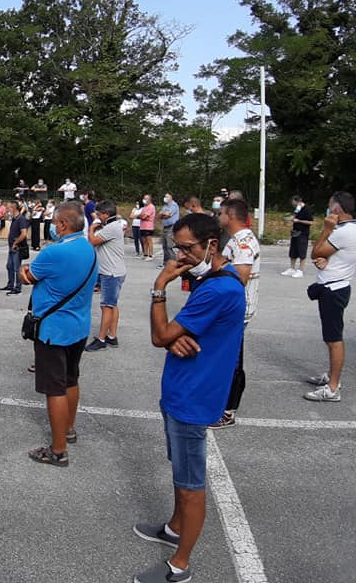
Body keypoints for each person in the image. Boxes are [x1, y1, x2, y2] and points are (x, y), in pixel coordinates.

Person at [135, 213, 245, 583]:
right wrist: (173, 337)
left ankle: (179, 566)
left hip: (192, 398)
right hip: (184, 390)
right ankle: (175, 527)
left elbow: (159, 335)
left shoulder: (218, 289)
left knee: (191, 485)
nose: (179, 256)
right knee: (180, 471)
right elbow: (174, 335)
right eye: (176, 248)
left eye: (187, 248)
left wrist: (160, 286)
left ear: (212, 245)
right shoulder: (218, 278)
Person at [19, 201, 97, 467]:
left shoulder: (54, 252)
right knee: (71, 379)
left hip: (53, 329)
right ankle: (69, 428)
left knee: (55, 389)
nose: (52, 227)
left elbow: (28, 277)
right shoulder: (88, 247)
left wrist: (22, 269)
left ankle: (58, 449)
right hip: (79, 326)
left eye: (54, 223)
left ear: (63, 224)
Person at [209, 198, 260, 428]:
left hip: (237, 309)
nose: (218, 216)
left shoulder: (244, 242)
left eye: (221, 213)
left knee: (232, 359)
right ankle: (222, 403)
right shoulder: (235, 239)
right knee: (226, 356)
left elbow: (240, 278)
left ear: (230, 216)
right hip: (231, 307)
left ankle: (228, 411)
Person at [304, 191, 356, 402]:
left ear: (336, 209)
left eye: (329, 206)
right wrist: (326, 259)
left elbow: (316, 252)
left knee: (334, 339)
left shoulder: (342, 232)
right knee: (330, 338)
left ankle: (333, 387)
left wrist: (326, 230)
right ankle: (331, 376)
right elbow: (325, 256)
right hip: (337, 286)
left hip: (334, 289)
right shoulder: (351, 229)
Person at [86, 201, 126, 351]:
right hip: (113, 271)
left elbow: (92, 241)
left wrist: (91, 228)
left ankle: (101, 339)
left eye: (99, 214)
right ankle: (112, 336)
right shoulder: (113, 226)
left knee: (106, 306)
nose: (97, 217)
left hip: (111, 272)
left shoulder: (111, 227)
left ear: (106, 214)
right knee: (112, 304)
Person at [1, 200, 29, 296]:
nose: (7, 209)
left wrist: (16, 243)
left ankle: (17, 288)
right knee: (9, 266)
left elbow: (24, 233)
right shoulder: (14, 218)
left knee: (17, 267)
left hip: (17, 247)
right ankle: (10, 285)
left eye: (8, 207)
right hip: (12, 246)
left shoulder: (21, 219)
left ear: (13, 208)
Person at [283, 195, 314, 278]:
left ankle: (301, 270)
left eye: (294, 203)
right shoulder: (297, 209)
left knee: (302, 251)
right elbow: (294, 217)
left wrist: (299, 221)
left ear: (298, 201)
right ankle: (292, 268)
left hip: (303, 233)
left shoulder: (307, 209)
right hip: (295, 232)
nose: (293, 204)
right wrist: (289, 218)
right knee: (293, 251)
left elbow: (311, 222)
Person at [159, 193, 180, 267]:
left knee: (169, 245)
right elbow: (160, 215)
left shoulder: (174, 205)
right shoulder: (165, 206)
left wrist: (164, 215)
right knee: (164, 245)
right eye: (165, 196)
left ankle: (174, 263)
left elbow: (168, 214)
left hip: (172, 227)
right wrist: (163, 215)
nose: (165, 198)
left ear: (171, 198)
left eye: (167, 197)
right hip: (165, 227)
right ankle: (165, 263)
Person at [139, 194, 156, 260]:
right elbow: (140, 216)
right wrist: (142, 216)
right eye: (144, 198)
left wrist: (143, 217)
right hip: (142, 226)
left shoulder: (151, 207)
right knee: (144, 241)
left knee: (149, 241)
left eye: (146, 198)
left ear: (149, 200)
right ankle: (145, 254)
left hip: (148, 227)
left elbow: (144, 216)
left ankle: (151, 255)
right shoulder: (144, 207)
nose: (144, 200)